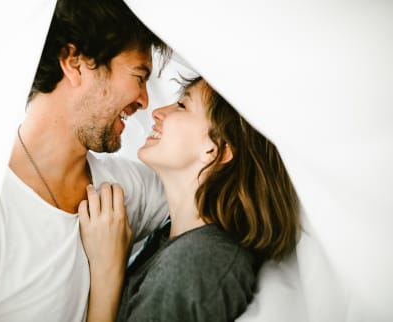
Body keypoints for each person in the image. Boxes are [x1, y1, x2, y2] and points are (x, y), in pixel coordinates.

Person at [0, 0, 170, 321]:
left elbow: (222, 194)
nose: (144, 101)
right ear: (75, 63)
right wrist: (107, 275)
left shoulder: (128, 189)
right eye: (139, 75)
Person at [79, 76, 300, 321]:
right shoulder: (177, 240)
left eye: (182, 105)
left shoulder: (195, 265)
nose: (158, 113)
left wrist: (106, 274)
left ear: (217, 148)